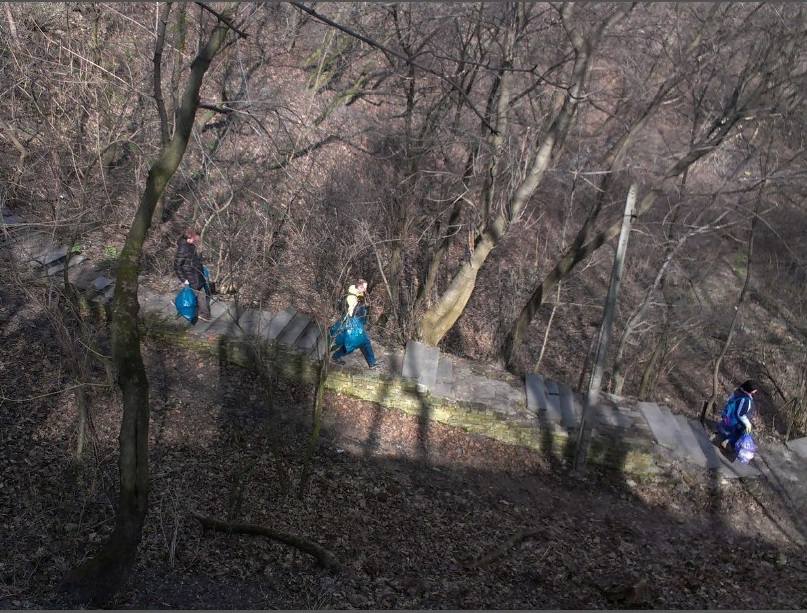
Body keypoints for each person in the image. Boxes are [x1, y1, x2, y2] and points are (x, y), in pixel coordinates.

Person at [329, 279, 382, 370]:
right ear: (360, 287)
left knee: (352, 342)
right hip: (353, 323)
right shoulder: (352, 298)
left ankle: (333, 353)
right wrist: (355, 305)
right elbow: (351, 313)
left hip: (353, 323)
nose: (365, 290)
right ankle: (372, 363)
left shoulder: (356, 292)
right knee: (359, 342)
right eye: (364, 288)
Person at [173, 227, 211, 322]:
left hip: (196, 275)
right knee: (195, 295)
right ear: (191, 237)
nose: (197, 239)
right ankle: (202, 314)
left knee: (199, 294)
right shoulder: (183, 248)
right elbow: (177, 266)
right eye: (196, 237)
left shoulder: (191, 245)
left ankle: (204, 314)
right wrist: (183, 279)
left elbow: (193, 260)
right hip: (191, 277)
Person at [716, 379, 757, 451]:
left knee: (731, 430)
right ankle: (728, 443)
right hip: (735, 420)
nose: (755, 391)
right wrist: (747, 424)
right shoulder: (746, 399)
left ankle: (724, 436)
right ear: (750, 390)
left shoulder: (738, 391)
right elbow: (740, 414)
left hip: (728, 416)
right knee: (740, 432)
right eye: (754, 390)